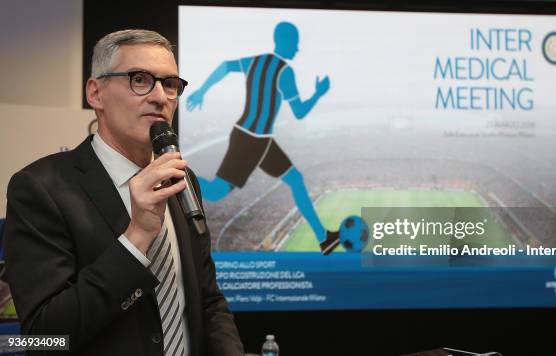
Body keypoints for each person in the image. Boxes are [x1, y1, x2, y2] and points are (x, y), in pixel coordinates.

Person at [2, 29, 243, 356]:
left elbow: (208, 300)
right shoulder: (40, 188)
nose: (160, 96)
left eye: (170, 84)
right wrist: (136, 238)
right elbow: (44, 338)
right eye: (140, 79)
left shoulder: (182, 178)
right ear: (96, 92)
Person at [186, 22, 338, 254]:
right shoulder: (285, 72)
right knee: (216, 192)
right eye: (296, 44)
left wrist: (202, 90)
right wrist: (318, 93)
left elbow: (225, 66)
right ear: (286, 42)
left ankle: (324, 238)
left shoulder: (256, 61)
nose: (297, 50)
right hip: (252, 140)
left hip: (260, 140)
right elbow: (299, 112)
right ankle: (177, 179)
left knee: (295, 180)